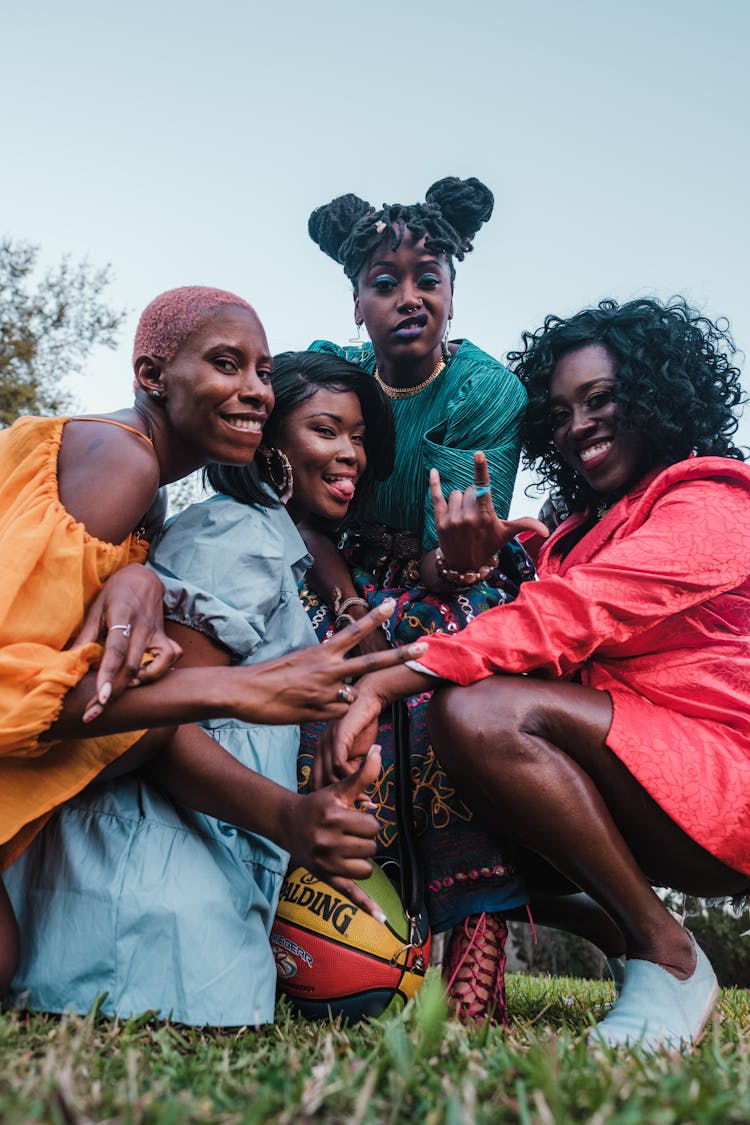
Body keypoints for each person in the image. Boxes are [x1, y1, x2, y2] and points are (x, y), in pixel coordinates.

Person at [319, 296, 750, 1051]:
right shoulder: (584, 531)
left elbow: (572, 613)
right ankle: (628, 935)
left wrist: (388, 678)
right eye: (561, 411)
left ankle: (669, 956)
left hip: (722, 781)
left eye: (601, 398)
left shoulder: (714, 500)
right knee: (444, 781)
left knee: (479, 716)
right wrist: (492, 550)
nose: (578, 424)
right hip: (637, 767)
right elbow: (538, 598)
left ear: (658, 391)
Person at [0, 287, 423, 1003]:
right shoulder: (128, 466)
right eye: (228, 364)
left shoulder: (151, 496)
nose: (254, 390)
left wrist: (141, 582)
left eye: (262, 370)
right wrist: (240, 696)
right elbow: (20, 696)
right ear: (152, 376)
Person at [303, 176, 539, 1020]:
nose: (410, 297)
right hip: (337, 577)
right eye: (384, 282)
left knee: (438, 680)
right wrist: (346, 613)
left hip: (454, 582)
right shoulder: (326, 377)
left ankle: (477, 944)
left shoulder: (489, 393)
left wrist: (459, 565)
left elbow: (459, 558)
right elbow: (297, 513)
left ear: (452, 288)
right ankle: (325, 933)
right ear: (356, 299)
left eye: (427, 278)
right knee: (307, 687)